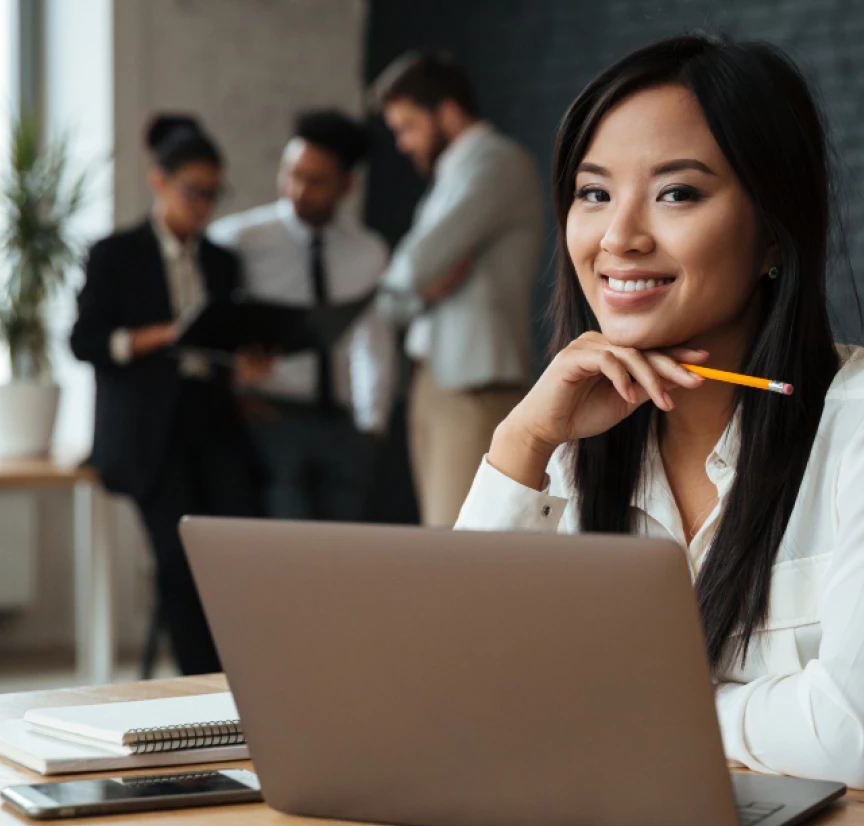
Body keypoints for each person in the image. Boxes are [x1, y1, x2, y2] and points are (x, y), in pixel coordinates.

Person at [455, 35, 864, 792]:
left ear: (773, 230)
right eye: (593, 192)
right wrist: (523, 438)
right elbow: (462, 691)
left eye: (677, 193)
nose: (619, 238)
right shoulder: (575, 434)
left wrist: (609, 709)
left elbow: (859, 735)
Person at [70, 124, 271, 675]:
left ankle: (246, 681)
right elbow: (85, 342)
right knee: (180, 563)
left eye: (214, 193)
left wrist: (246, 365)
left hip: (213, 418)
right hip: (149, 430)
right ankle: (200, 688)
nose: (204, 205)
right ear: (159, 181)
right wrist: (161, 335)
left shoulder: (222, 262)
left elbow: (223, 343)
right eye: (194, 191)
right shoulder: (115, 255)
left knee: (242, 551)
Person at [372, 52, 545, 528]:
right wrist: (419, 287)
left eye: (408, 126)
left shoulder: (497, 162)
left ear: (446, 111)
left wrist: (415, 281)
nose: (403, 144)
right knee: (440, 537)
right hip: (437, 381)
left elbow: (414, 264)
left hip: (476, 386)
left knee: (460, 546)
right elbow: (400, 293)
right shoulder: (452, 172)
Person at [209, 110, 395, 522]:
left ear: (346, 186)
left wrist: (372, 426)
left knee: (343, 556)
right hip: (272, 416)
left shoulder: (368, 250)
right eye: (291, 172)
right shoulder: (238, 240)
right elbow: (210, 329)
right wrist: (232, 390)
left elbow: (373, 340)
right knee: (285, 552)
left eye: (315, 180)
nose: (297, 189)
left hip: (344, 424)